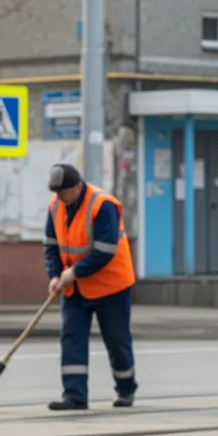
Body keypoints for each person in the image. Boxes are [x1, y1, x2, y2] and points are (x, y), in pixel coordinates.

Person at [42, 163, 139, 411]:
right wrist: (54, 275)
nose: (60, 197)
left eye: (64, 192)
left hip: (110, 285)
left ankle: (126, 389)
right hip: (74, 288)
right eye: (56, 193)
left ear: (77, 187)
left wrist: (74, 272)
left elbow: (105, 249)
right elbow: (51, 245)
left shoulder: (102, 205)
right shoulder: (55, 205)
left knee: (116, 340)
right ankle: (74, 395)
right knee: (71, 338)